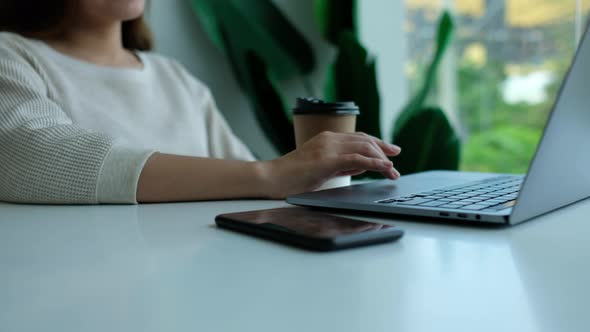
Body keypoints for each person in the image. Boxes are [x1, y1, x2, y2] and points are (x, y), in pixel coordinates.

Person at [0, 0, 401, 205]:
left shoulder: (176, 79)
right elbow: (27, 154)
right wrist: (268, 175)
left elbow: (256, 188)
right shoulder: (13, 55)